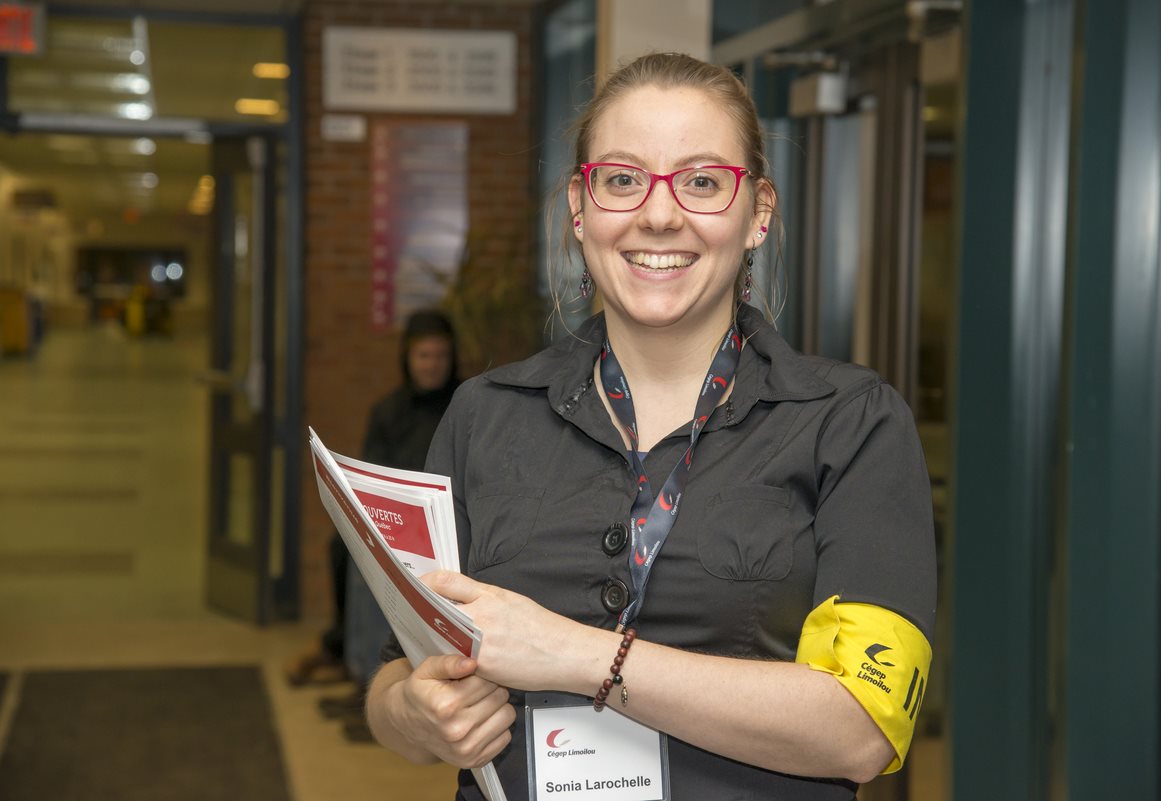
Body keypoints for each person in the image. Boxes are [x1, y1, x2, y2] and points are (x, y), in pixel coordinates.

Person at [365, 52, 936, 800]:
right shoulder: (482, 415)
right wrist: (415, 712)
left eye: (701, 181)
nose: (658, 213)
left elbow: (865, 725)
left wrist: (579, 655)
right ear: (581, 205)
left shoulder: (852, 424)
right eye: (623, 179)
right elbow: (392, 675)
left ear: (757, 212)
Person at [287, 310, 459, 699]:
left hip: (446, 520)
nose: (432, 365)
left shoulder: (463, 407)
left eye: (439, 356)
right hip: (397, 519)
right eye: (423, 356)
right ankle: (352, 661)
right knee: (346, 548)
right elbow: (369, 476)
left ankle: (370, 674)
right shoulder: (389, 410)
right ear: (407, 358)